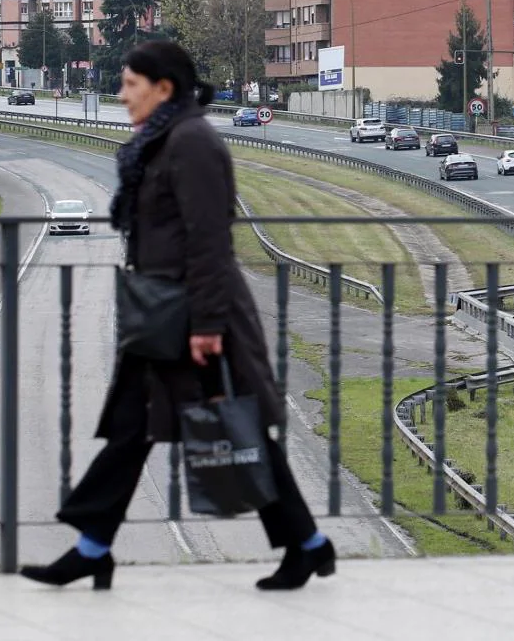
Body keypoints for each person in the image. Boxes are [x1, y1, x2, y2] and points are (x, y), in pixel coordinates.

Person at [20, 40, 334, 592]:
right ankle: (94, 547)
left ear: (162, 88)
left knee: (239, 431)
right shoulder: (161, 141)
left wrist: (209, 327)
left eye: (130, 85)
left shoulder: (192, 142)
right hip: (162, 315)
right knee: (131, 430)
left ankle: (306, 545)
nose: (121, 95)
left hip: (197, 317)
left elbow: (210, 240)